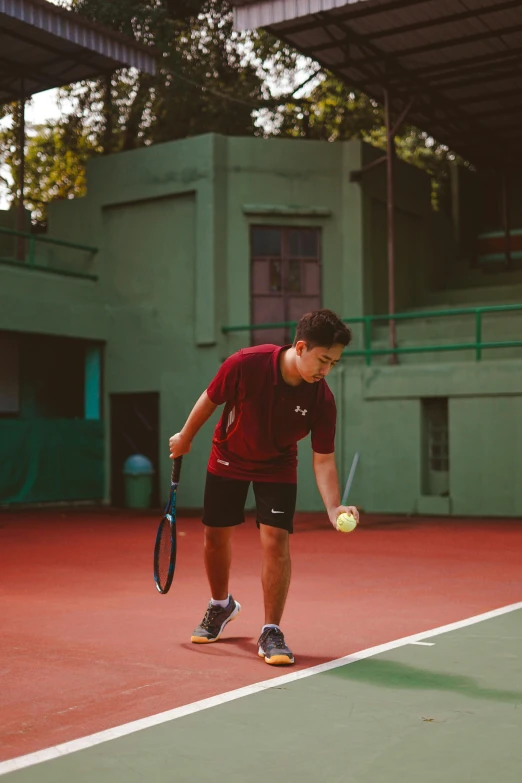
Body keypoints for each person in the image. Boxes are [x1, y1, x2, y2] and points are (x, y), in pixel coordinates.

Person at [169, 309, 359, 666]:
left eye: (333, 363)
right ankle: (221, 605)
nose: (326, 370)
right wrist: (185, 436)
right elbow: (210, 398)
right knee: (215, 536)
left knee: (276, 540)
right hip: (229, 455)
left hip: (277, 465)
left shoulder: (322, 399)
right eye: (323, 360)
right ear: (300, 347)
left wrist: (334, 508)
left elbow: (324, 459)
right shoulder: (246, 363)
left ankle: (271, 629)